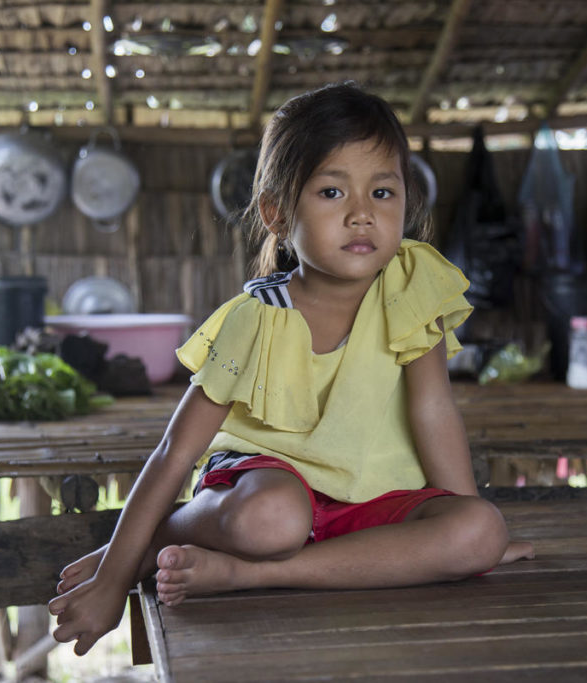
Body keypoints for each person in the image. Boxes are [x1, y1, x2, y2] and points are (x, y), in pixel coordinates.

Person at [49, 82, 534, 656]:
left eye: (382, 192)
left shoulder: (412, 286)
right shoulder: (256, 319)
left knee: (482, 530)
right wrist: (114, 577)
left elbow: (434, 410)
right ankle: (148, 543)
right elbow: (175, 452)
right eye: (332, 192)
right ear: (276, 213)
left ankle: (249, 574)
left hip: (374, 501)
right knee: (272, 521)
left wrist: (463, 519)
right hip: (267, 486)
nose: (362, 214)